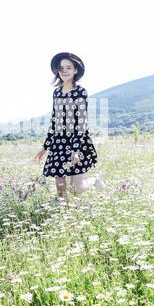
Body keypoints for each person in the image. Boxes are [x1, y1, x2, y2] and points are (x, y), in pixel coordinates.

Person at [34, 52, 104, 200]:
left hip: (77, 140)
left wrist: (75, 149)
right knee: (60, 188)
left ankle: (95, 180)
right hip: (59, 142)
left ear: (75, 70)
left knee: (75, 189)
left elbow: (81, 122)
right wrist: (46, 147)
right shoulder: (57, 93)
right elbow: (55, 121)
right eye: (61, 68)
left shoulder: (80, 92)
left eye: (68, 67)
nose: (64, 71)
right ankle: (64, 217)